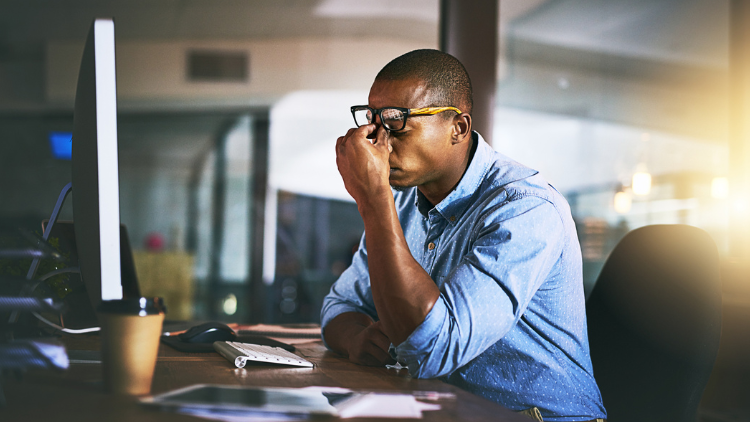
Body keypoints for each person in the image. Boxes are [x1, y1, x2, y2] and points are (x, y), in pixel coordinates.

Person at [321, 49, 606, 421]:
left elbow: (432, 348)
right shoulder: (406, 202)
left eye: (396, 122)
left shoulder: (526, 209)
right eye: (372, 120)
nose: (377, 141)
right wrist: (358, 338)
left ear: (458, 128)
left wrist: (373, 199)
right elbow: (339, 306)